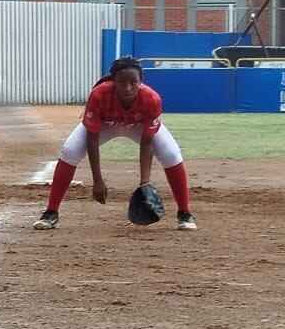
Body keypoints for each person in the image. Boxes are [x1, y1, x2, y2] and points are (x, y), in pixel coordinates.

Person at [34, 55, 197, 232]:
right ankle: (51, 212)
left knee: (172, 155)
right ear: (113, 82)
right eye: (121, 83)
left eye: (133, 82)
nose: (128, 88)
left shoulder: (151, 99)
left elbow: (147, 142)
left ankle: (185, 213)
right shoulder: (99, 95)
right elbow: (92, 137)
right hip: (106, 125)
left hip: (137, 126)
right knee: (69, 152)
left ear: (141, 82)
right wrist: (97, 180)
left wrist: (145, 182)